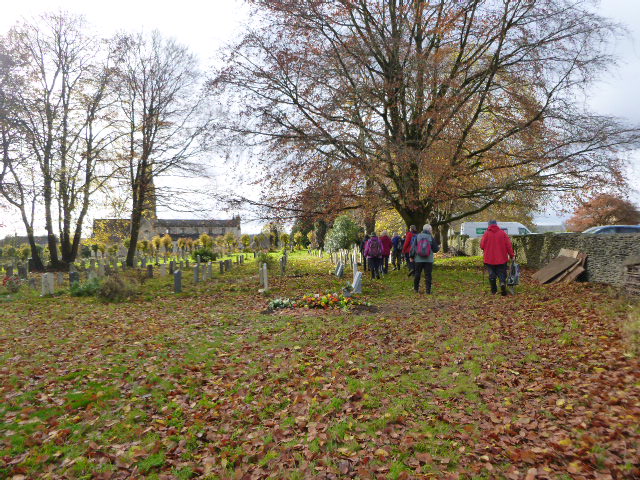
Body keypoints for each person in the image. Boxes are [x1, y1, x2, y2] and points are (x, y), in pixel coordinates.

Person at [480, 220, 515, 296]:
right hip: (502, 258)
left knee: (492, 274)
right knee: (502, 273)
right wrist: (512, 255)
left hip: (489, 258)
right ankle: (502, 283)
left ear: (489, 226)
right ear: (496, 225)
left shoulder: (486, 234)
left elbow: (482, 246)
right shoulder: (503, 233)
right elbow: (509, 245)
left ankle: (494, 291)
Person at [411, 224, 440, 294]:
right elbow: (435, 249)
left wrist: (412, 257)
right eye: (431, 229)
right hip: (428, 259)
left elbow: (413, 248)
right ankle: (428, 291)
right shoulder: (430, 237)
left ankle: (415, 289)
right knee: (428, 275)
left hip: (418, 259)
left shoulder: (417, 236)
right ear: (429, 230)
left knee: (417, 274)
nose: (431, 230)